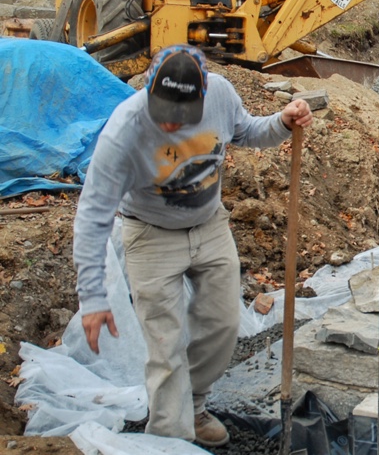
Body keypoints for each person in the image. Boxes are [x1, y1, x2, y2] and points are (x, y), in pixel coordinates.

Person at [73, 45, 313, 447]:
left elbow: (246, 131)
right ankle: (171, 437)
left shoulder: (219, 93)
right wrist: (93, 296)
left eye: (181, 115)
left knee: (223, 326)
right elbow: (93, 214)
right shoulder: (125, 129)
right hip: (150, 235)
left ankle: (194, 405)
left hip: (209, 226)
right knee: (166, 349)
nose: (170, 124)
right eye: (163, 112)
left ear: (203, 96)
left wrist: (283, 123)